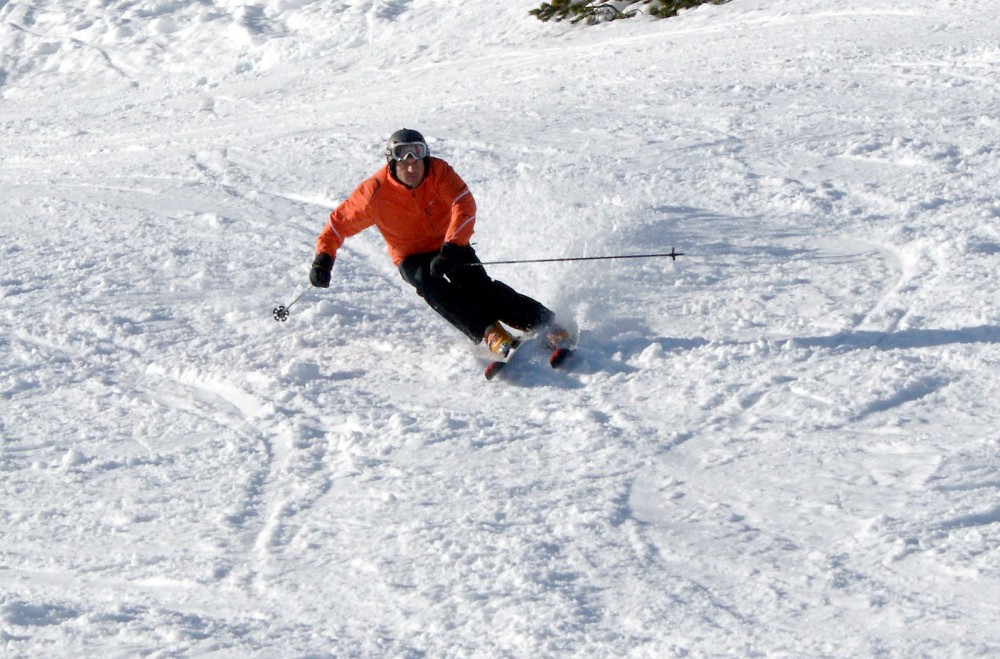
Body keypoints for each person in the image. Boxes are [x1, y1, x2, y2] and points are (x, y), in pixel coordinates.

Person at [309, 128, 568, 356]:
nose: (412, 169)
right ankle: (492, 334)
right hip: (410, 255)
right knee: (431, 286)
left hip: (449, 245)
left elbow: (463, 203)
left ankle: (545, 323)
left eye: (417, 161)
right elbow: (337, 224)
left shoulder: (439, 172)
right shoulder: (373, 193)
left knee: (480, 288)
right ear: (391, 164)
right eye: (404, 163)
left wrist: (454, 246)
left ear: (426, 158)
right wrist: (324, 259)